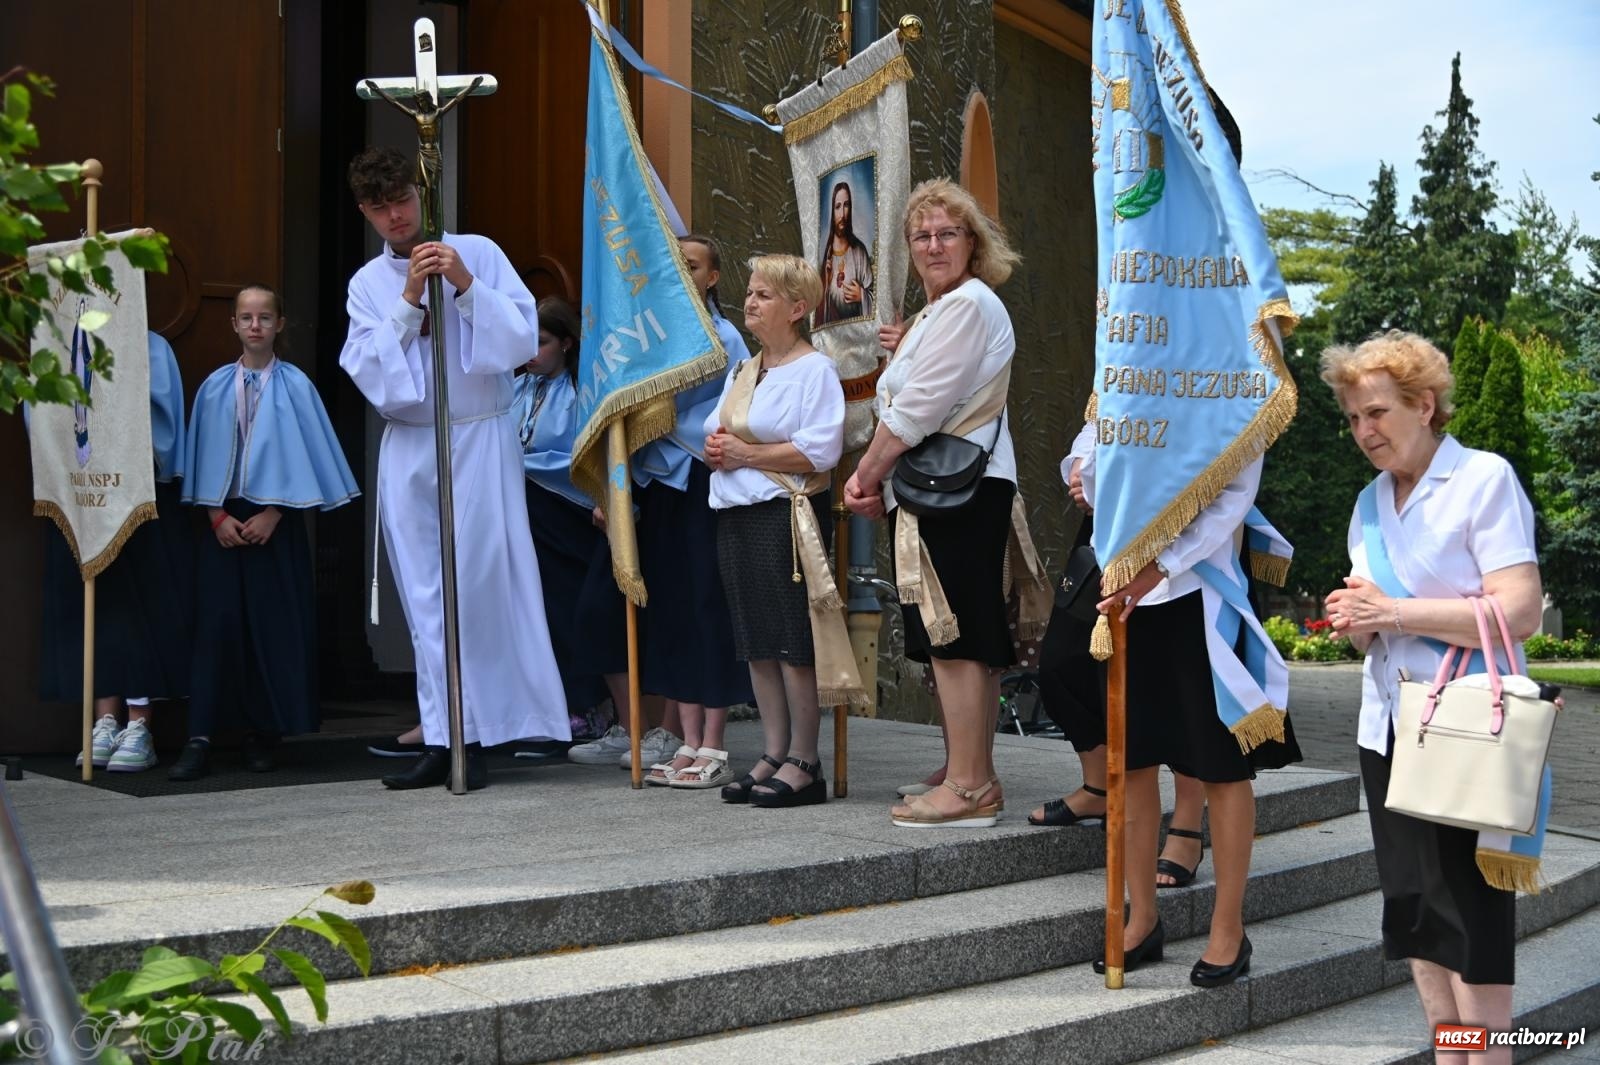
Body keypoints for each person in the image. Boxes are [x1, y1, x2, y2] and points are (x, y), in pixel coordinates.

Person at [1322, 331, 1541, 1061]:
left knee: (1470, 917)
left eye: (1378, 412)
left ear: (1426, 404)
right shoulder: (1366, 502)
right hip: (1387, 728)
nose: (1364, 431)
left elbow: (1519, 609)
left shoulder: (1483, 479)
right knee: (1418, 916)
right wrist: (1356, 617)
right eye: (1354, 417)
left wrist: (1395, 611)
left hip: (1466, 730)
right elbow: (1368, 632)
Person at [338, 145, 569, 791]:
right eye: (379, 208)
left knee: (479, 586)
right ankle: (443, 735)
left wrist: (465, 286)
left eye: (402, 200)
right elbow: (373, 374)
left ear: (422, 192)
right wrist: (410, 299)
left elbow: (522, 338)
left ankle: (486, 734)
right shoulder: (367, 285)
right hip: (414, 447)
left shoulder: (480, 251)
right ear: (365, 211)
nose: (395, 216)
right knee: (426, 597)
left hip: (479, 439)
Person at [1067, 381, 1302, 984]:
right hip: (1121, 594)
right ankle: (1141, 917)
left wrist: (1160, 564)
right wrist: (1088, 472)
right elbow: (1085, 465)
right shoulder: (1125, 365)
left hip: (1198, 593)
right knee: (1133, 763)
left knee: (1220, 767)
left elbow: (1232, 498)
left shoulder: (1223, 374)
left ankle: (1229, 929)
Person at [844, 177, 1048, 828]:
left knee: (953, 636)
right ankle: (967, 767)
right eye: (921, 235)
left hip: (958, 492)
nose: (933, 244)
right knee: (958, 636)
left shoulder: (966, 306)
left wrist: (868, 473)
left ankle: (969, 785)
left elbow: (918, 407)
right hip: (951, 487)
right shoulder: (945, 309)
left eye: (947, 233)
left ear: (974, 242)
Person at [571, 233, 756, 780]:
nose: (682, 271)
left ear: (713, 276)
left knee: (703, 607)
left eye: (693, 264)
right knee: (670, 611)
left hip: (699, 478)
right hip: (654, 485)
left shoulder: (718, 335)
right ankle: (680, 738)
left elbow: (716, 412)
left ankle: (711, 741)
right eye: (673, 263)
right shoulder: (648, 335)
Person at [171, 284, 359, 780]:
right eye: (246, 318)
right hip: (224, 522)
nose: (255, 326)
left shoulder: (297, 386)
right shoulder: (213, 387)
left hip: (277, 521)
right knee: (217, 627)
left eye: (265, 318)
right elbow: (200, 456)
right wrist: (214, 515)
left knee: (272, 627)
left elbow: (309, 457)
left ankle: (264, 732)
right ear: (234, 324)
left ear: (280, 325)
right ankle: (200, 735)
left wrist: (275, 512)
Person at [705, 253, 851, 805]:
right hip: (736, 512)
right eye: (751, 291)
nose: (751, 300)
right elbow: (715, 429)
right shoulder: (746, 368)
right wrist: (719, 449)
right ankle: (772, 750)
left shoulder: (814, 370)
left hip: (783, 514)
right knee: (756, 642)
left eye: (764, 294)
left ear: (797, 308)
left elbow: (821, 450)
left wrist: (745, 452)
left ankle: (805, 760)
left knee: (792, 642)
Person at [1027, 456, 1211, 890]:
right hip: (1113, 520)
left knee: (1180, 680)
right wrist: (1080, 468)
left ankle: (1187, 821)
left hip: (1187, 521)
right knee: (1063, 660)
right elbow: (1098, 419)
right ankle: (1099, 786)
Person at [37, 331, 194, 773]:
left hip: (134, 490)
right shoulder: (57, 341)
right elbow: (43, 412)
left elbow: (161, 424)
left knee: (140, 601)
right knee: (97, 602)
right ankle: (104, 717)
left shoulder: (149, 344)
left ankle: (139, 721)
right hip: (80, 492)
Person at [513, 296, 609, 735]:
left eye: (542, 340)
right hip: (524, 515)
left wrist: (515, 463)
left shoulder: (581, 392)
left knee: (568, 611)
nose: (531, 349)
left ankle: (588, 706)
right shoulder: (516, 388)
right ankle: (539, 706)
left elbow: (581, 456)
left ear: (568, 343)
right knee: (530, 613)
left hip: (567, 517)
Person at [815, 181, 873, 326]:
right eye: (837, 207)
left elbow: (876, 296)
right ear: (831, 211)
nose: (842, 214)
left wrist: (862, 296)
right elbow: (818, 311)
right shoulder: (826, 254)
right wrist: (826, 284)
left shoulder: (859, 251)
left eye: (846, 205)